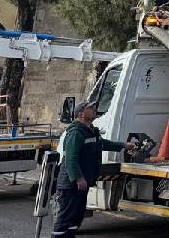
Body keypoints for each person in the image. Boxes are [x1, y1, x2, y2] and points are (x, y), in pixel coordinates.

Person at [53, 101, 134, 238]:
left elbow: (103, 144)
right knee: (65, 219)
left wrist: (123, 145)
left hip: (80, 184)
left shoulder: (90, 131)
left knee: (76, 218)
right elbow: (71, 158)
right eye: (90, 108)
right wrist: (79, 178)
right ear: (80, 114)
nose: (94, 109)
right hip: (70, 185)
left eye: (94, 107)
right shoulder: (76, 133)